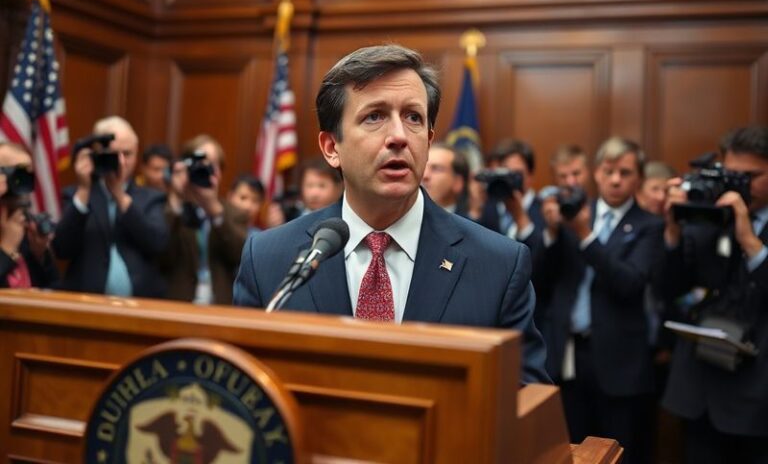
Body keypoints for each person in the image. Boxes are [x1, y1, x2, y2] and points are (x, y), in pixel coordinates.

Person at [234, 44, 549, 384]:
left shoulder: (498, 265)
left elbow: (526, 408)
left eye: (413, 117)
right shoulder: (269, 259)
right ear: (331, 148)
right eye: (375, 116)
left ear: (428, 141)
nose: (399, 136)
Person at [538, 136, 663, 464]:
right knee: (571, 452)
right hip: (570, 356)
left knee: (617, 454)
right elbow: (542, 279)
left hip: (621, 364)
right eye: (609, 171)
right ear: (596, 173)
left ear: (638, 177)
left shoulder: (649, 225)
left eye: (625, 172)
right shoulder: (575, 212)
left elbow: (630, 284)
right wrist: (551, 233)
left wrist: (585, 236)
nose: (616, 180)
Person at [660, 125, 768, 464]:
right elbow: (668, 290)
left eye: (751, 176)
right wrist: (673, 230)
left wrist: (751, 241)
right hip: (701, 390)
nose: (741, 185)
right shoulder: (706, 217)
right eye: (732, 175)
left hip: (758, 399)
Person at [52, 116, 168, 297]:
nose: (121, 162)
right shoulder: (75, 195)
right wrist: (84, 189)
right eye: (114, 154)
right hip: (85, 305)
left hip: (141, 307)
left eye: (127, 154)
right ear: (96, 153)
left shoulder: (152, 198)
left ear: (137, 154)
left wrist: (119, 195)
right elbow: (62, 248)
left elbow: (157, 244)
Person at [159, 134, 250, 305]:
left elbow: (242, 256)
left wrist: (213, 209)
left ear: (220, 173)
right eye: (200, 163)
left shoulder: (234, 213)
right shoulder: (169, 208)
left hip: (220, 306)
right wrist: (177, 199)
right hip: (178, 305)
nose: (205, 169)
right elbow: (163, 256)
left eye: (213, 164)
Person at [0, 142, 58, 289]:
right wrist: (7, 248)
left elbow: (54, 288)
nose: (22, 182)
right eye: (17, 174)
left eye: (28, 173)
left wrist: (39, 255)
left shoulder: (23, 223)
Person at [421, 142, 469, 215]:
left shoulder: (470, 224)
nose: (424, 176)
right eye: (423, 167)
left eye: (436, 168)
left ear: (458, 182)